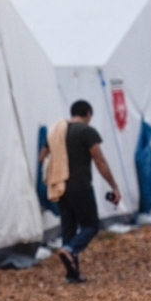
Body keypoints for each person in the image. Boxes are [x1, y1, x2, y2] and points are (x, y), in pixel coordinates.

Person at [39, 100, 121, 283]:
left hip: (59, 186)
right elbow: (100, 161)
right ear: (88, 113)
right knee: (91, 225)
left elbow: (42, 156)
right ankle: (70, 250)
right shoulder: (86, 131)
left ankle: (72, 273)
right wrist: (113, 186)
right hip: (80, 185)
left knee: (69, 228)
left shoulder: (55, 131)